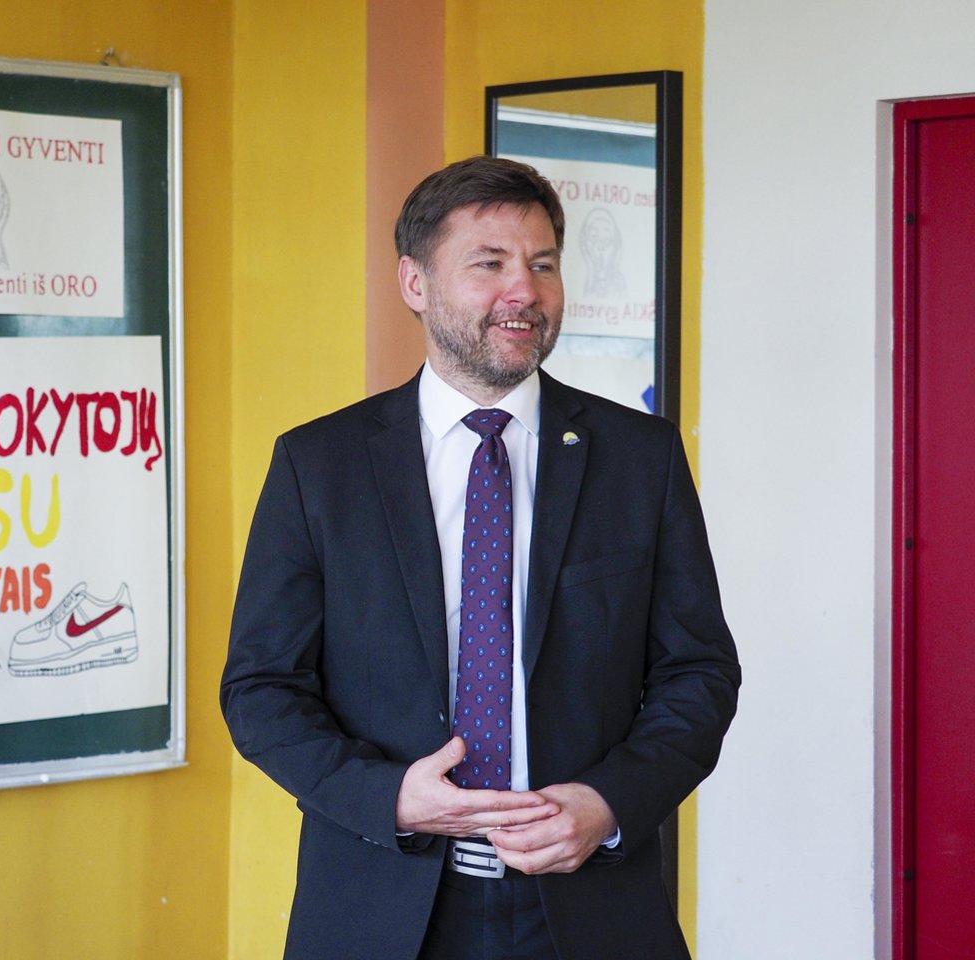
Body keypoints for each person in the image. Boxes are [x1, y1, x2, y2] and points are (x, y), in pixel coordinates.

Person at [221, 156, 739, 960]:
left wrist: (609, 802)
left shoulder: (641, 458)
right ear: (415, 282)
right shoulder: (319, 466)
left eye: (543, 265)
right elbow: (261, 688)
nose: (524, 290)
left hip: (591, 905)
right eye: (489, 264)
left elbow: (697, 672)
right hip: (379, 903)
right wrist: (389, 797)